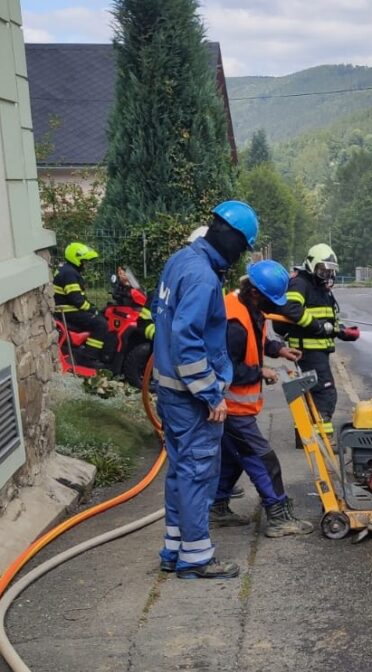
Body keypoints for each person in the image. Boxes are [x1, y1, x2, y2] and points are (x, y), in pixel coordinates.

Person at [152, 200, 259, 580]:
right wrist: (210, 393)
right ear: (230, 236)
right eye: (243, 246)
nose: (240, 256)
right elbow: (187, 337)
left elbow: (159, 317)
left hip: (170, 389)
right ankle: (197, 558)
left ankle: (175, 548)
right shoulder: (202, 277)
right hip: (191, 395)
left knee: (180, 470)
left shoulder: (180, 260)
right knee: (198, 472)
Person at [210, 260, 314, 537]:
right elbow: (225, 369)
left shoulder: (247, 307)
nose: (274, 306)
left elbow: (256, 342)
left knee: (233, 460)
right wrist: (260, 371)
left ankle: (215, 508)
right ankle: (279, 517)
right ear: (256, 292)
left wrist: (279, 350)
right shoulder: (234, 323)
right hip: (230, 408)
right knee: (263, 459)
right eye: (271, 300)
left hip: (236, 408)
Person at [274, 244, 359, 436]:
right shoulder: (301, 283)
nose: (327, 275)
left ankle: (304, 434)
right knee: (325, 393)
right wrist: (318, 326)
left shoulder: (318, 286)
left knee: (310, 392)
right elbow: (291, 309)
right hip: (309, 351)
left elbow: (326, 316)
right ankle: (324, 437)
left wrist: (342, 331)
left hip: (316, 350)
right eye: (322, 270)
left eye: (330, 271)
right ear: (311, 266)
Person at [53, 242, 115, 365]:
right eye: (83, 261)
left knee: (99, 317)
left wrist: (92, 308)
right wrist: (92, 310)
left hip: (64, 310)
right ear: (76, 259)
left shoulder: (66, 270)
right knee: (101, 324)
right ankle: (89, 357)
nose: (85, 264)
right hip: (68, 312)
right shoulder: (70, 274)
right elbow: (77, 300)